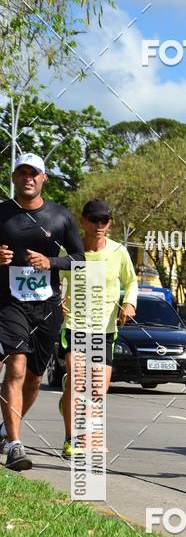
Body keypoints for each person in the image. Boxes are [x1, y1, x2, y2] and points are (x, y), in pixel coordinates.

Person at [0, 153, 84, 470]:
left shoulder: (59, 217)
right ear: (13, 178)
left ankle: (6, 430)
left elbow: (79, 258)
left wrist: (52, 262)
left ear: (44, 178)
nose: (28, 178)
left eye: (34, 173)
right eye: (22, 173)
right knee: (16, 368)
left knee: (34, 379)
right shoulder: (2, 214)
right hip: (9, 303)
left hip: (47, 307)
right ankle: (16, 446)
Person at [58, 199, 138, 456]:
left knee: (97, 391)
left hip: (104, 330)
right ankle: (76, 439)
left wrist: (129, 303)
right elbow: (54, 280)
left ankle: (77, 421)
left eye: (105, 220)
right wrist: (58, 298)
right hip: (75, 326)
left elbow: (132, 281)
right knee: (80, 385)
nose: (100, 225)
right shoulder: (69, 252)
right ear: (83, 222)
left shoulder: (118, 252)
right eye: (94, 219)